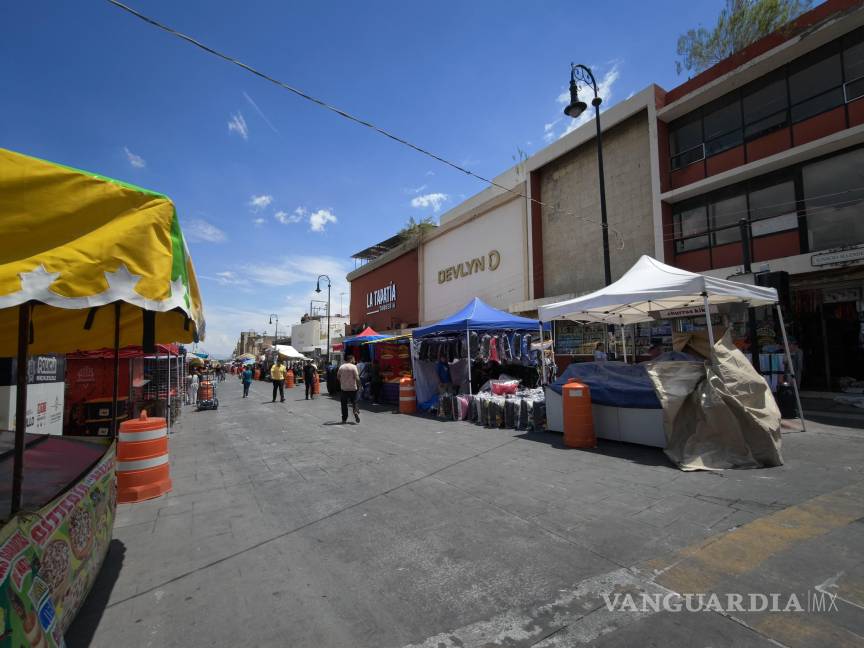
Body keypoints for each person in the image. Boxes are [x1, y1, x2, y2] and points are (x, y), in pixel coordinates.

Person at [337, 355, 361, 423]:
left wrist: (342, 381)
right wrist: (360, 386)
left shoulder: (341, 367)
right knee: (355, 402)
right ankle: (355, 412)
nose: (354, 361)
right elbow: (357, 378)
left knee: (344, 404)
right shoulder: (354, 367)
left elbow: (338, 376)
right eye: (354, 359)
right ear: (351, 359)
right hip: (353, 388)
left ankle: (344, 419)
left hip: (344, 389)